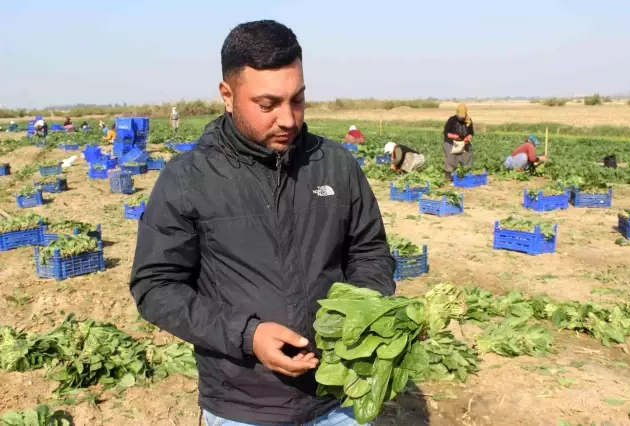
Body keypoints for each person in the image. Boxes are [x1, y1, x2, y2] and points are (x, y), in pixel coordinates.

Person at [129, 20, 395, 426]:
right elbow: (156, 287)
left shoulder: (336, 165)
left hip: (339, 396)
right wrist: (248, 335)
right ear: (227, 95)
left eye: (298, 100)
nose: (288, 119)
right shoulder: (187, 179)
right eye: (268, 105)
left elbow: (369, 251)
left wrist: (358, 315)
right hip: (242, 406)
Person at [443, 103, 474, 181]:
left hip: (463, 142)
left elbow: (471, 133)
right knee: (451, 159)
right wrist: (453, 136)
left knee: (467, 155)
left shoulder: (468, 120)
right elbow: (446, 132)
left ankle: (466, 174)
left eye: (463, 117)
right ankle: (448, 177)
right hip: (451, 142)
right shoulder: (452, 120)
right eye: (460, 117)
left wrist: (468, 137)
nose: (461, 118)